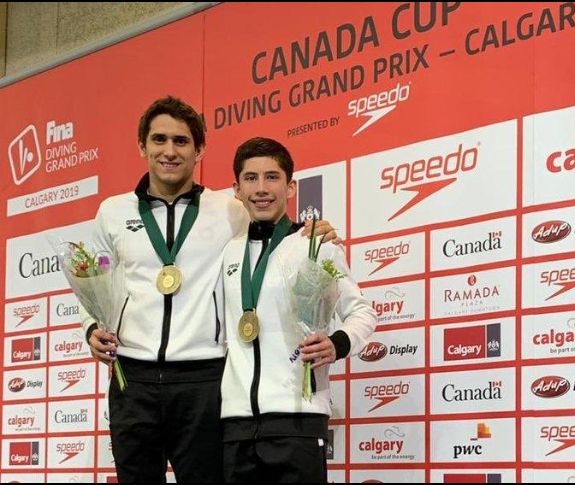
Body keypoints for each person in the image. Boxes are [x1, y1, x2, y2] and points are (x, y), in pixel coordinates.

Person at [80, 96, 339, 482]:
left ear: (199, 150)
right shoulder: (112, 212)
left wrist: (310, 232)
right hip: (131, 379)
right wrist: (90, 328)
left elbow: (270, 233)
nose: (170, 151)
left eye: (181, 141)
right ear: (142, 146)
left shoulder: (229, 209)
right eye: (159, 139)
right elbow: (93, 281)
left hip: (203, 379)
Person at [220, 137, 376, 482]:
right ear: (237, 189)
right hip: (236, 424)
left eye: (272, 177)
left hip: (298, 418)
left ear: (290, 187)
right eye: (251, 178)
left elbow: (362, 312)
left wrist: (337, 343)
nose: (261, 188)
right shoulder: (229, 252)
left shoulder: (316, 245)